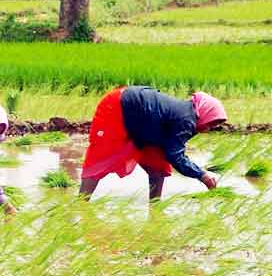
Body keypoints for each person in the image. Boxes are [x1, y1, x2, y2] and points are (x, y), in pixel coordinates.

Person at [79, 86, 226, 201]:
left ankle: (155, 205)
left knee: (158, 164)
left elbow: (170, 150)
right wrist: (202, 175)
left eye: (212, 126)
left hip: (146, 123)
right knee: (101, 157)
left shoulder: (188, 116)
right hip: (118, 106)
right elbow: (175, 155)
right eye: (210, 123)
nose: (208, 129)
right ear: (205, 113)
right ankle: (80, 204)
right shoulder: (187, 119)